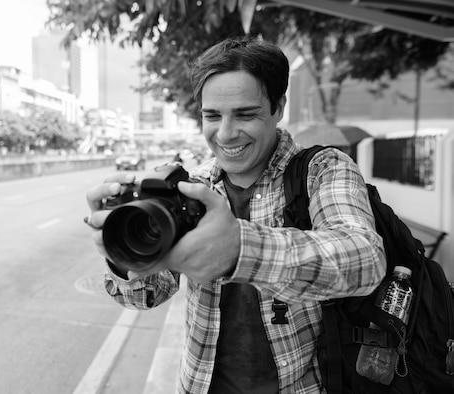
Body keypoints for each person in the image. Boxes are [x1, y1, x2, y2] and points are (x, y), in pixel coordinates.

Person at [84, 36, 386, 394]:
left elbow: (364, 260)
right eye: (212, 116)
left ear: (278, 107)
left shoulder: (322, 169)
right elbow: (147, 295)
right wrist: (124, 253)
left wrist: (239, 249)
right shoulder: (192, 187)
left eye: (245, 114)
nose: (225, 134)